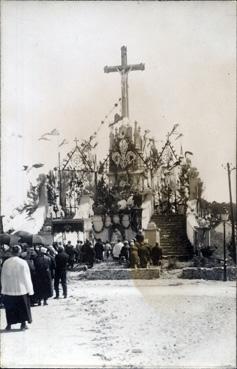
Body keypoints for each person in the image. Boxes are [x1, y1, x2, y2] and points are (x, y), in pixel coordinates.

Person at [1, 245, 34, 331]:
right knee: (22, 307)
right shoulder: (23, 262)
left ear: (11, 252)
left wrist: (3, 289)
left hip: (9, 289)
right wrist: (30, 290)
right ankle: (23, 324)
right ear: (19, 252)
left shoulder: (6, 262)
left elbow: (3, 277)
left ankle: (9, 324)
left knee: (10, 308)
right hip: (21, 289)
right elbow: (26, 277)